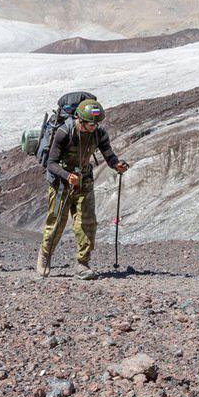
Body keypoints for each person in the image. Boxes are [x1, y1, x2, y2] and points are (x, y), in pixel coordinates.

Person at [39, 98, 128, 279]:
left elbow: (108, 154)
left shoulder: (99, 133)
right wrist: (66, 176)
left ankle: (83, 263)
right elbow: (51, 163)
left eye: (96, 124)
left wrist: (116, 164)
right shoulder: (64, 132)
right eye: (89, 124)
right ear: (80, 119)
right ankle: (45, 256)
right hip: (61, 184)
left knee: (87, 222)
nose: (93, 127)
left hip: (84, 181)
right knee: (56, 223)